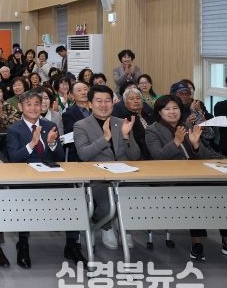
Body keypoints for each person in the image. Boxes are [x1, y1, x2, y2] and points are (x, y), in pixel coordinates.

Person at [6, 89, 85, 267]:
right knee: (23, 199)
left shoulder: (50, 125)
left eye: (37, 104)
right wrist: (32, 144)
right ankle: (23, 243)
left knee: (73, 195)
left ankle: (72, 244)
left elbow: (59, 156)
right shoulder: (14, 129)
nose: (33, 108)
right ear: (20, 107)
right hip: (26, 177)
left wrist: (51, 143)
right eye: (28, 104)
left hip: (50, 174)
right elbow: (14, 158)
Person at [145, 95, 226, 260]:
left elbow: (205, 155)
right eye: (167, 109)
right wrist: (175, 142)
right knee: (195, 191)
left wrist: (196, 145)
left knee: (221, 189)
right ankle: (196, 242)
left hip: (198, 174)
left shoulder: (188, 126)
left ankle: (225, 237)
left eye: (175, 108)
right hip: (172, 179)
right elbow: (157, 156)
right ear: (159, 112)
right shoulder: (152, 130)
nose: (172, 112)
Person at [74, 85, 139, 251]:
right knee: (107, 202)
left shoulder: (121, 122)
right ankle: (106, 226)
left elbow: (135, 155)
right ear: (90, 104)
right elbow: (84, 154)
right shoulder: (81, 125)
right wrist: (104, 138)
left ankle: (124, 226)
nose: (103, 105)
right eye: (99, 101)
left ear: (113, 102)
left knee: (136, 197)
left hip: (125, 176)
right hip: (98, 178)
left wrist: (126, 136)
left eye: (107, 101)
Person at [62, 81, 91, 161]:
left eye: (85, 89)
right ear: (72, 95)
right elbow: (75, 136)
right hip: (79, 154)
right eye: (79, 90)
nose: (83, 92)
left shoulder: (98, 109)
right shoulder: (68, 114)